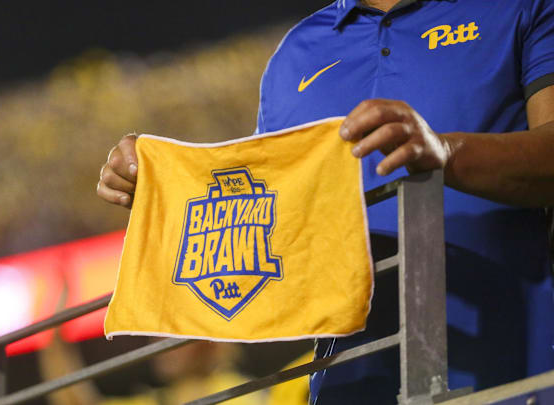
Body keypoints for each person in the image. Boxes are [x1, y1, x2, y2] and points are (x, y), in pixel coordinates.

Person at [98, 0, 554, 402]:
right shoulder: (296, 52)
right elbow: (273, 225)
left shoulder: (519, 6)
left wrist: (446, 152)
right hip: (347, 382)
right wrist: (161, 184)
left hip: (513, 367)